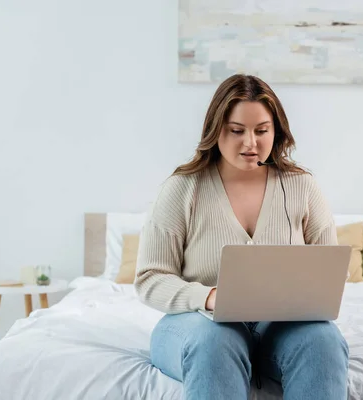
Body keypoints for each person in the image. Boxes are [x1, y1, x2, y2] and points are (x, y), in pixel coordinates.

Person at [134, 74, 349, 400]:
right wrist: (209, 297)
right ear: (215, 129)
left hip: (279, 329)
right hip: (199, 325)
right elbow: (150, 278)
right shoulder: (182, 188)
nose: (251, 143)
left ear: (276, 132)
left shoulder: (302, 186)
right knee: (214, 343)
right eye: (237, 131)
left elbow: (329, 271)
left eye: (262, 130)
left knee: (324, 341)